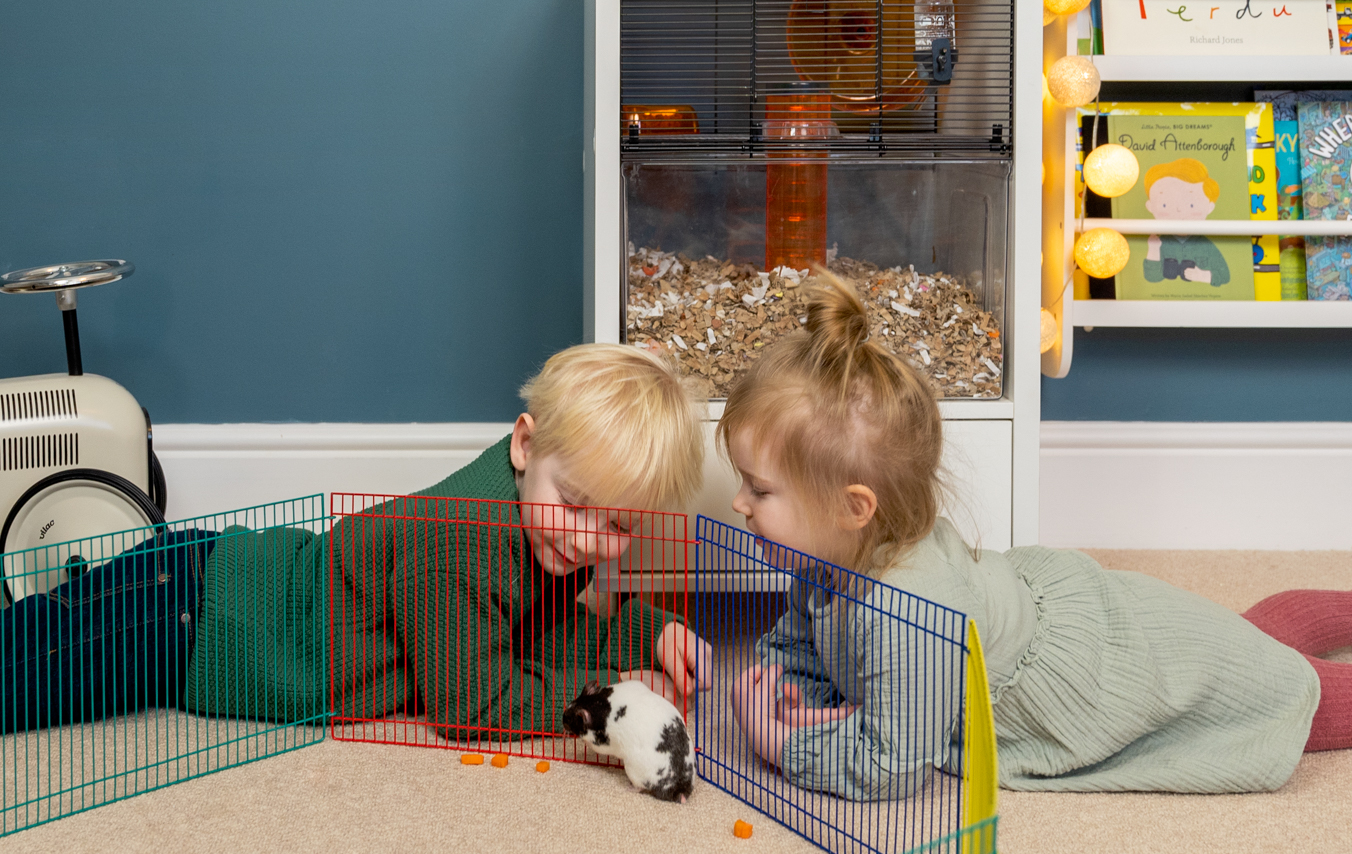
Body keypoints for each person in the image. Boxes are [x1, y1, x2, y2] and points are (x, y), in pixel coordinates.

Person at [723, 273, 1351, 798]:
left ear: (852, 508)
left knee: (1283, 691)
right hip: (1064, 620)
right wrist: (781, 692)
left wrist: (786, 746)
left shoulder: (908, 611)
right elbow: (801, 649)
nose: (739, 503)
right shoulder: (829, 559)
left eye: (760, 488)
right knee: (1241, 644)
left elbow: (894, 764)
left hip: (1096, 676)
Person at [4, 343, 714, 736]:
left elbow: (536, 629)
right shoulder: (460, 540)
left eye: (619, 527)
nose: (588, 540)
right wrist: (610, 701)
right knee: (23, 669)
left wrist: (650, 633)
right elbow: (471, 703)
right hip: (193, 616)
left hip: (207, 589)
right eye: (578, 504)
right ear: (525, 445)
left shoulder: (538, 524)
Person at [1142, 157, 1231, 287]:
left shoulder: (1204, 245)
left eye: (1191, 205)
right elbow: (1152, 278)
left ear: (1209, 207)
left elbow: (1225, 275)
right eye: (1165, 205)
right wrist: (1153, 250)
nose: (1178, 210)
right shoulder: (1161, 243)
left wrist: (1205, 276)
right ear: (1150, 206)